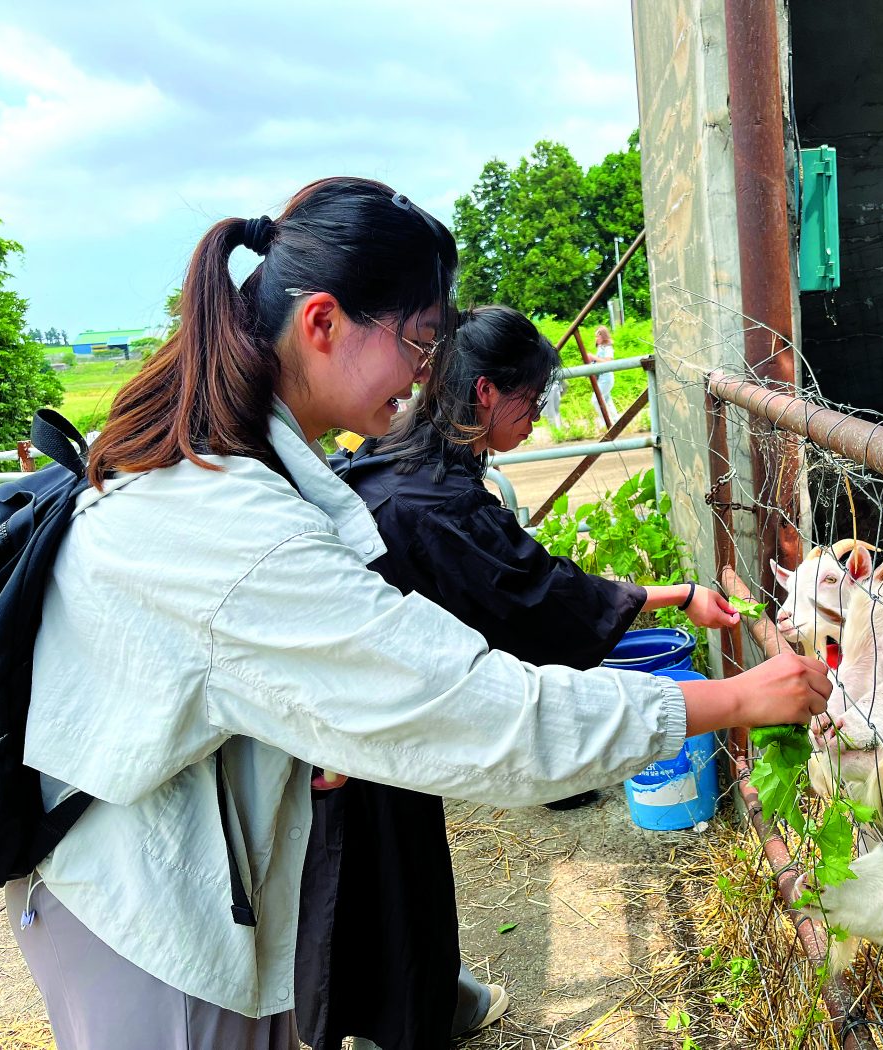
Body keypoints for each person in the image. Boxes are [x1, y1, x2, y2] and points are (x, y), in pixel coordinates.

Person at [7, 177, 831, 1050]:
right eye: (418, 341)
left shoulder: (220, 459)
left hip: (158, 871)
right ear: (322, 324)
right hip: (153, 918)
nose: (423, 373)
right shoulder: (239, 524)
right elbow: (478, 711)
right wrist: (734, 701)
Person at [296, 305, 741, 1050]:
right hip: (363, 723)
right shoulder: (435, 500)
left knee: (389, 873)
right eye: (532, 401)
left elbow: (530, 580)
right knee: (387, 878)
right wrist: (674, 603)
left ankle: (429, 1000)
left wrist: (674, 597)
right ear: (485, 396)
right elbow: (538, 600)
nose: (537, 418)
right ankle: (410, 1021)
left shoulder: (408, 461)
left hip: (362, 705)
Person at [591, 324, 618, 425]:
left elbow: (608, 361)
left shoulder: (608, 348)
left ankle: (607, 422)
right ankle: (616, 421)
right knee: (607, 400)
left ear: (603, 336)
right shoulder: (600, 347)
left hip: (606, 379)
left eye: (598, 336)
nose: (596, 338)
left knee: (595, 400)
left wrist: (593, 358)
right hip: (602, 378)